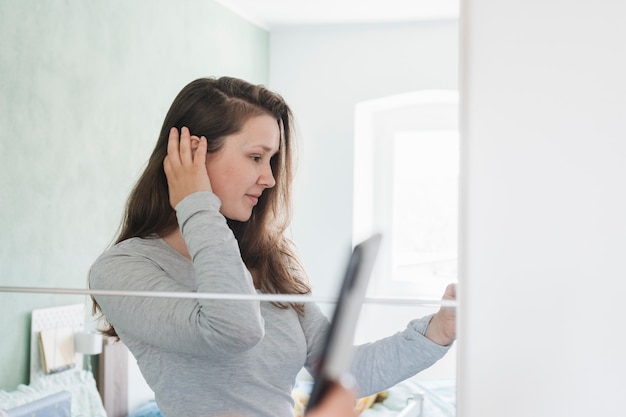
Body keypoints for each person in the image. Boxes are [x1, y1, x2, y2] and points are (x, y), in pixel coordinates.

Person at [89, 77, 456, 417]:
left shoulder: (268, 260)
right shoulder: (121, 270)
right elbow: (235, 328)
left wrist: (439, 329)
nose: (268, 178)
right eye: (255, 157)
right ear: (194, 153)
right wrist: (196, 204)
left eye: (272, 160)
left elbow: (344, 371)